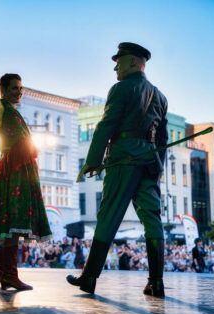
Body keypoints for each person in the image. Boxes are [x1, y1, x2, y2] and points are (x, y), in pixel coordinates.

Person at [67, 42, 168, 297]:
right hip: (149, 163)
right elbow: (163, 140)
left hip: (123, 159)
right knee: (152, 221)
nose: (115, 67)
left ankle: (89, 278)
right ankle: (156, 282)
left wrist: (92, 161)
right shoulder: (160, 96)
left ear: (134, 62)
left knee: (108, 217)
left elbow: (105, 125)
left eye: (119, 61)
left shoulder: (121, 88)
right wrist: (158, 168)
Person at [0, 73, 52, 291]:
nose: (19, 91)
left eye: (21, 88)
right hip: (15, 172)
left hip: (14, 170)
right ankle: (9, 275)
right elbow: (23, 145)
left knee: (11, 225)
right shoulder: (8, 113)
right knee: (14, 225)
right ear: (3, 90)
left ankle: (3, 271)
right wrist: (34, 148)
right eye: (15, 88)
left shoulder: (9, 111)